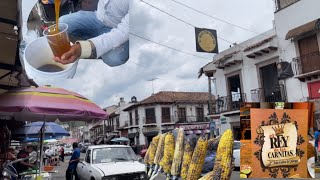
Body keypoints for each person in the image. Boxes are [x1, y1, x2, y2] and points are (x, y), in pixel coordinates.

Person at [54, 0, 129, 67]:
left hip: (118, 28)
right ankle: (94, 45)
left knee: (113, 59)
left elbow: (123, 31)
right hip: (98, 18)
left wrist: (85, 48)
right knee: (62, 24)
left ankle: (94, 49)